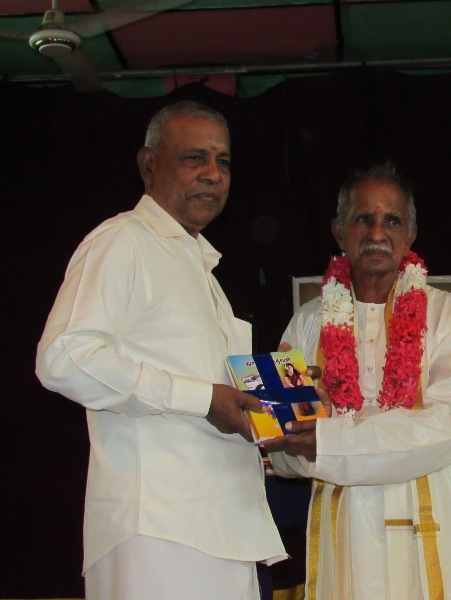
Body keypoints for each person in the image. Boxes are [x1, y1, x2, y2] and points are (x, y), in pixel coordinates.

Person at [36, 101, 287, 600]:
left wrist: (286, 396)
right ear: (149, 165)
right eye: (195, 158)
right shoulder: (122, 241)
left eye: (224, 161)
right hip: (157, 530)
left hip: (225, 526)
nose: (213, 174)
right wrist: (201, 399)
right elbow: (63, 357)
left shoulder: (201, 267)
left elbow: (215, 390)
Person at [262, 161, 451, 599]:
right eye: (363, 218)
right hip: (345, 539)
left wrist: (326, 439)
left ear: (411, 234)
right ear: (338, 230)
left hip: (436, 535)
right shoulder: (306, 324)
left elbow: (448, 428)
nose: (376, 233)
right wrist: (297, 429)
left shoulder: (448, 316)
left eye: (392, 221)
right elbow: (279, 449)